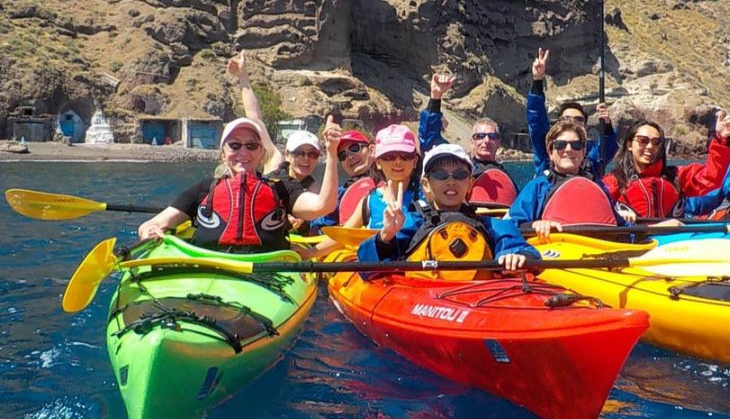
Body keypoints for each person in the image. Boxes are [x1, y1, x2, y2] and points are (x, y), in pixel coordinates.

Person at [137, 116, 341, 252]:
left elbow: (323, 206)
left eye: (251, 145)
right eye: (234, 145)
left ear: (261, 153)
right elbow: (152, 224)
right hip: (212, 266)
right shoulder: (205, 189)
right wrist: (151, 230)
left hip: (267, 270)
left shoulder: (281, 188)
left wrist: (331, 153)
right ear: (223, 153)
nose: (243, 152)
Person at [357, 143, 536, 273]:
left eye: (460, 175)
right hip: (423, 300)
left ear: (470, 183)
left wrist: (515, 256)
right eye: (440, 175)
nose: (451, 181)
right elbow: (367, 267)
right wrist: (385, 236)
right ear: (426, 185)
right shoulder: (413, 223)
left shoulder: (491, 226)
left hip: (477, 301)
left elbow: (523, 250)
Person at [509, 119, 631, 241]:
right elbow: (513, 223)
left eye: (576, 145)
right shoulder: (537, 187)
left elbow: (621, 226)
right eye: (560, 144)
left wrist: (630, 221)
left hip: (600, 251)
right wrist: (533, 225)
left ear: (583, 152)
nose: (568, 149)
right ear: (550, 152)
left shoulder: (596, 186)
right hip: (554, 251)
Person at [605, 113, 730, 220]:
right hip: (633, 242)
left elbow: (711, 176)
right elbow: (597, 208)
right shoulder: (614, 181)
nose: (650, 146)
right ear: (629, 145)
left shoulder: (676, 177)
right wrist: (617, 215)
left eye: (656, 142)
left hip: (670, 243)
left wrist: (721, 140)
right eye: (643, 141)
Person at [419, 73, 518, 206]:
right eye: (480, 136)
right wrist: (436, 98)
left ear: (498, 142)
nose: (487, 141)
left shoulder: (506, 176)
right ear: (472, 142)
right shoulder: (459, 165)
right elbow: (429, 141)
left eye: (492, 136)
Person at [528, 47, 617, 177]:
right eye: (566, 119)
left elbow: (607, 147)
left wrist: (607, 126)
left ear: (586, 127)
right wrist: (537, 80)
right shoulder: (546, 150)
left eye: (578, 120)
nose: (572, 123)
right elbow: (536, 120)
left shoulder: (592, 158)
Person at [342, 124, 424, 248]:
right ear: (378, 162)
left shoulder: (429, 196)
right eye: (389, 156)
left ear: (415, 161)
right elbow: (342, 236)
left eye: (405, 156)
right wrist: (309, 253)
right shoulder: (369, 200)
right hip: (380, 264)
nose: (397, 161)